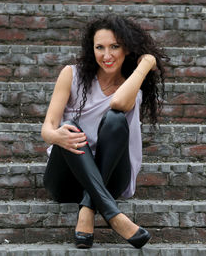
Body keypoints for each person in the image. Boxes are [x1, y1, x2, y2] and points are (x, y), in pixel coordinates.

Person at [41, 15, 168, 249]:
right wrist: (57, 135)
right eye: (100, 47)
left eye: (115, 47)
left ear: (127, 49)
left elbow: (118, 104)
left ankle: (88, 208)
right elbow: (47, 129)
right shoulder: (71, 75)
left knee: (116, 120)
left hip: (111, 178)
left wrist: (146, 64)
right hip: (66, 177)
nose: (107, 55)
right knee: (71, 129)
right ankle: (114, 215)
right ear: (92, 49)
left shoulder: (131, 89)